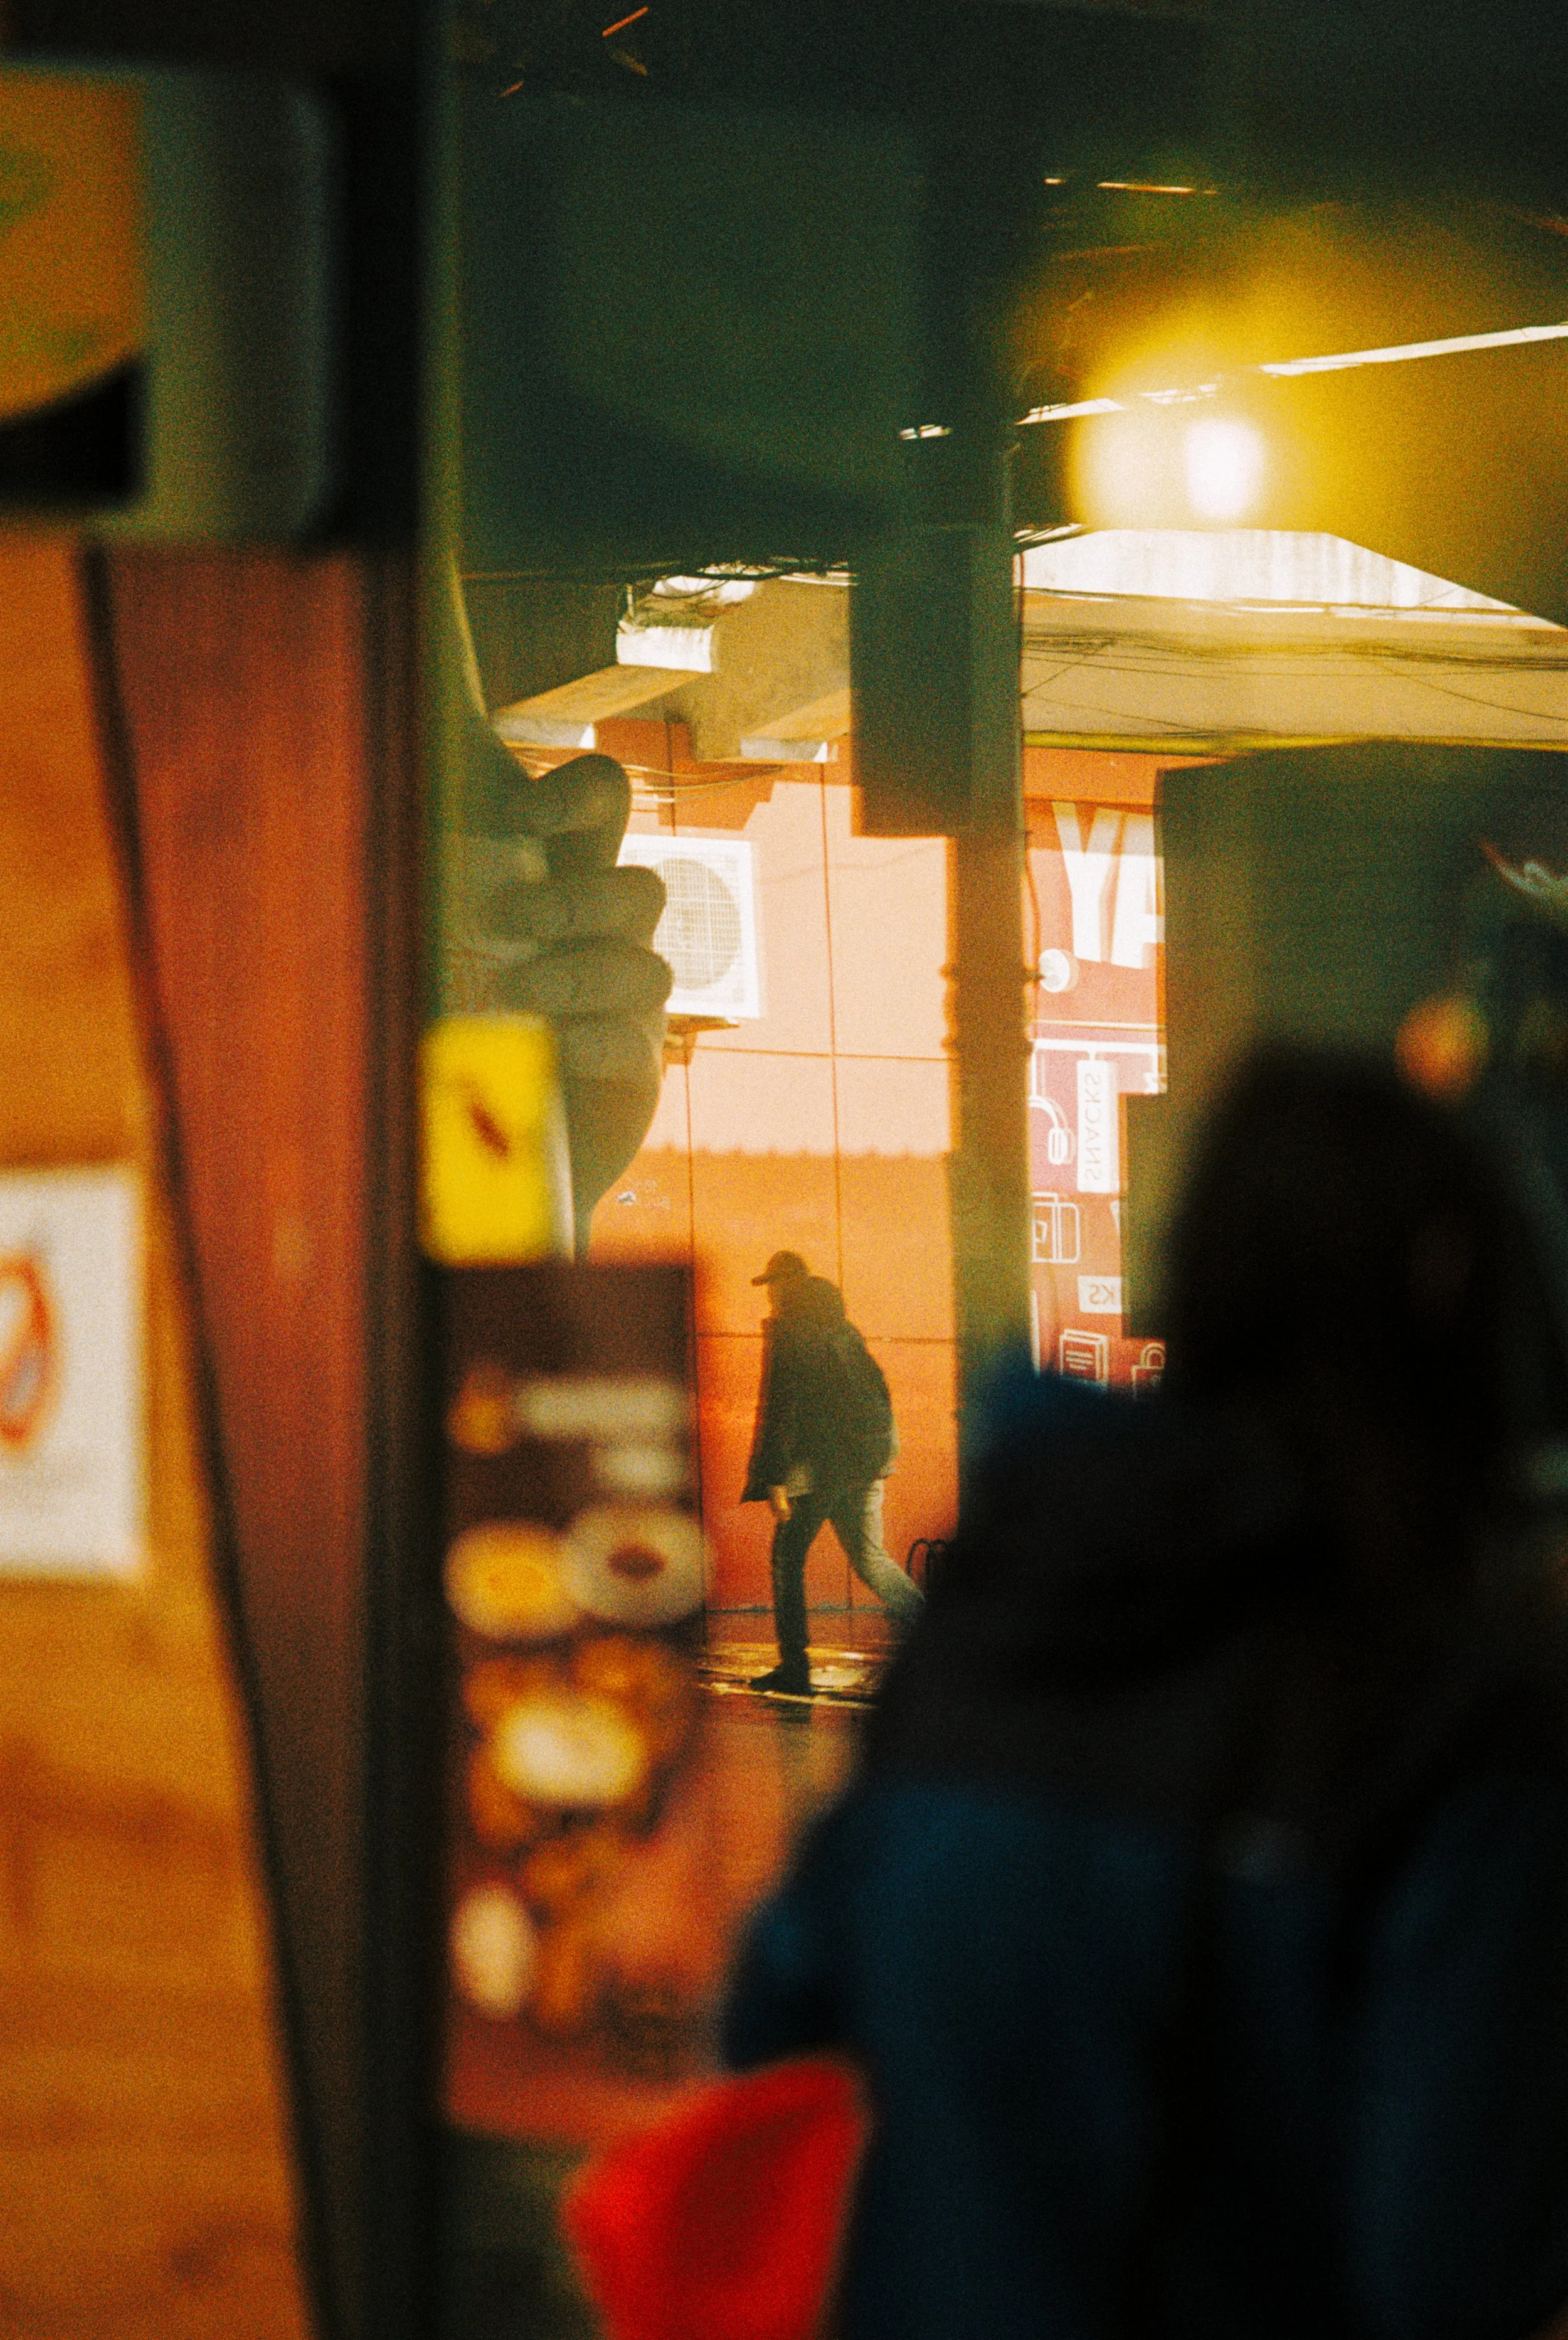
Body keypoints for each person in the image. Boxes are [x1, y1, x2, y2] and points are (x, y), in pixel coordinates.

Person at [723, 1045, 1568, 2340]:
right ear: (1447, 1291)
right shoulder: (1432, 1718)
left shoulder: (999, 1614)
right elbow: (1437, 2265)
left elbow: (777, 2008)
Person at [743, 1252, 923, 1697]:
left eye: (773, 1284)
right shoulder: (844, 1330)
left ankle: (795, 1667)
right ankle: (946, 1646)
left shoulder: (791, 1333)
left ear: (789, 1285)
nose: (769, 1293)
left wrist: (774, 1477)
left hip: (816, 1471)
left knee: (788, 1561)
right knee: (871, 1559)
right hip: (862, 1467)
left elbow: (779, 1410)